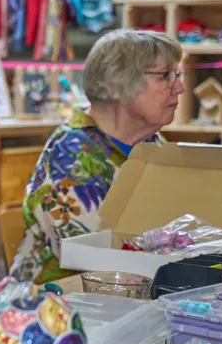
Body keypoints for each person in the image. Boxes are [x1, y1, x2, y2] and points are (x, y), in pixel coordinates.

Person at [12, 29, 184, 283]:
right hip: (63, 308)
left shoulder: (150, 142)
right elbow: (102, 263)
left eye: (177, 75)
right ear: (117, 86)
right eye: (164, 76)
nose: (179, 87)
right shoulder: (71, 157)